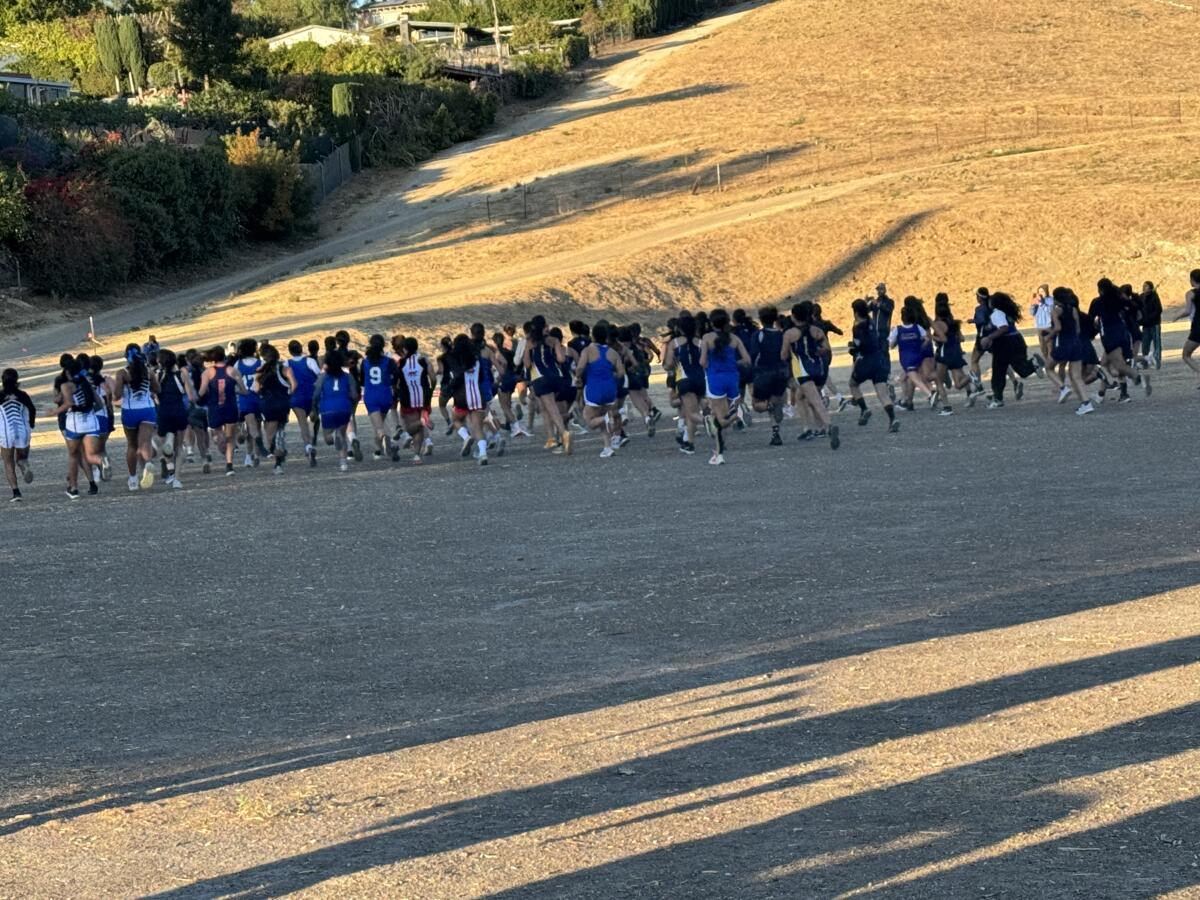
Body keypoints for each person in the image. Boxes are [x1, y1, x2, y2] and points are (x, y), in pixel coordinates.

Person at [782, 301, 840, 449]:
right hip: (818, 368)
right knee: (801, 397)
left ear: (794, 317)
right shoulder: (816, 330)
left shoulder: (789, 334)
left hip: (803, 371)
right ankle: (808, 429)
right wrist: (817, 351)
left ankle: (828, 425)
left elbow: (783, 355)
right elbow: (826, 348)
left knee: (815, 400)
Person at [700, 308, 753, 465]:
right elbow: (747, 360)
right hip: (732, 378)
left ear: (711, 322)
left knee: (720, 420)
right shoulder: (734, 338)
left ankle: (719, 454)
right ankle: (735, 415)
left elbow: (702, 362)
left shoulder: (707, 338)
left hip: (715, 378)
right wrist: (733, 363)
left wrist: (711, 366)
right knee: (725, 417)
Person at [52, 354, 103, 499]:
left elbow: (57, 399)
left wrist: (58, 403)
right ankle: (91, 482)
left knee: (74, 455)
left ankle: (73, 486)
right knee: (84, 454)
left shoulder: (61, 381)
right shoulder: (84, 381)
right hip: (89, 420)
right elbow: (99, 403)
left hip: (69, 420)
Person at [846, 299, 900, 433]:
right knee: (882, 393)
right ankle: (893, 419)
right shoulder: (871, 321)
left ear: (856, 312)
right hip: (879, 359)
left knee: (853, 384)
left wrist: (852, 349)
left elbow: (859, 345)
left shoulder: (858, 327)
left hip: (866, 360)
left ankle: (864, 409)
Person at [573, 322, 626, 457]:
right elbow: (621, 373)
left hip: (594, 388)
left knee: (590, 420)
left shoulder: (588, 350)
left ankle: (610, 417)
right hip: (610, 388)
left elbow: (580, 368)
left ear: (593, 336)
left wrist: (577, 377)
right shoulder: (613, 353)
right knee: (601, 418)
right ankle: (607, 447)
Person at [112, 344, 159, 491]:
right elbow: (158, 389)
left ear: (126, 356)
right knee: (145, 442)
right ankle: (148, 462)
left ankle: (132, 479)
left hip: (130, 411)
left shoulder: (122, 373)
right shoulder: (149, 371)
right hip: (147, 410)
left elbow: (117, 395)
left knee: (132, 445)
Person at [978, 292, 1036, 408]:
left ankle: (998, 398)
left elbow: (1003, 328)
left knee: (998, 371)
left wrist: (989, 338)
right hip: (1017, 339)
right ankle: (1034, 364)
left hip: (1005, 343)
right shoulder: (1006, 312)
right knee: (1022, 369)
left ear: (993, 303)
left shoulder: (996, 314)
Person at [522, 316, 571, 455]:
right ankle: (552, 438)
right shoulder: (553, 340)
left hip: (539, 378)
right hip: (555, 376)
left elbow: (527, 364)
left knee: (551, 408)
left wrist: (527, 349)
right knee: (547, 408)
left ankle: (563, 433)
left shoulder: (531, 341)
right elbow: (561, 359)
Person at [662, 314, 705, 455]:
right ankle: (689, 443)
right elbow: (706, 362)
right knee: (692, 411)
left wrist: (671, 366)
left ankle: (708, 421)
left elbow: (668, 365)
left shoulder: (675, 343)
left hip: (684, 380)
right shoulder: (700, 342)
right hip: (700, 379)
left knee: (691, 413)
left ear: (679, 328)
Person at [931, 294, 980, 415]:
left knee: (939, 380)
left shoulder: (938, 324)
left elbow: (940, 340)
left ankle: (946, 407)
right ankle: (971, 378)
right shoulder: (953, 322)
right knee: (958, 384)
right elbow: (961, 338)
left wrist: (930, 336)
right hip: (956, 351)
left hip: (944, 353)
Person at [312, 349, 359, 472]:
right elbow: (354, 395)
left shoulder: (323, 377)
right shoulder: (348, 377)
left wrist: (314, 407)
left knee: (328, 438)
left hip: (327, 409)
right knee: (342, 434)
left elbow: (316, 394)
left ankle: (333, 435)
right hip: (344, 408)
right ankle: (343, 463)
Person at [155, 349, 197, 489]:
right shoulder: (182, 374)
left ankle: (170, 472)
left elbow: (154, 395)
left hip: (163, 412)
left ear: (159, 361)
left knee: (165, 447)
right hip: (179, 411)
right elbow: (191, 397)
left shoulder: (158, 375)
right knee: (179, 447)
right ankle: (177, 479)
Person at [1049, 287, 1094, 416]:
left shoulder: (1056, 310)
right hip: (1076, 343)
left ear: (1056, 298)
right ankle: (1086, 403)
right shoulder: (1073, 309)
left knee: (1048, 367)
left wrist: (1048, 336)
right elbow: (1078, 329)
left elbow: (1057, 327)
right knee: (1076, 376)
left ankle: (1063, 388)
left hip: (1064, 343)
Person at [448, 334, 491, 465]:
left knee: (456, 420)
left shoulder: (456, 360)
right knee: (478, 427)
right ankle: (483, 453)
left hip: (462, 398)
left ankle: (466, 437)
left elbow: (456, 378)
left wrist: (450, 387)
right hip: (477, 396)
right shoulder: (476, 359)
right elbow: (482, 378)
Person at [749, 305, 789, 445]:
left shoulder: (758, 335)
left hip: (763, 373)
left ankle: (769, 407)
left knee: (756, 404)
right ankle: (775, 431)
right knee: (776, 402)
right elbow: (786, 354)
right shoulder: (782, 334)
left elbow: (754, 354)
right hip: (780, 373)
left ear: (760, 319)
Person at [198, 346, 240, 476]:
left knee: (217, 435)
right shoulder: (232, 370)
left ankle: (221, 444)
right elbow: (242, 389)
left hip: (215, 408)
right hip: (231, 407)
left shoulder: (207, 373)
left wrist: (196, 397)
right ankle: (229, 465)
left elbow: (202, 391)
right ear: (224, 356)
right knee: (231, 438)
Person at [254, 343, 296, 474]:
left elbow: (255, 389)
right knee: (280, 429)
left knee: (270, 436)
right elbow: (294, 385)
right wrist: (288, 394)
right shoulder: (285, 369)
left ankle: (276, 457)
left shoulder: (260, 371)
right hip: (283, 403)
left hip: (268, 404)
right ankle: (279, 458)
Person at [361, 334, 399, 462]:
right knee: (380, 423)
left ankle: (386, 440)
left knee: (378, 427)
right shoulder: (388, 361)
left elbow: (361, 380)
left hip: (371, 396)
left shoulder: (365, 362)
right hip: (385, 395)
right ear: (383, 345)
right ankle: (378, 450)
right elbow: (396, 376)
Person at [888, 304, 934, 410]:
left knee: (915, 378)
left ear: (902, 318)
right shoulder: (917, 327)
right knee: (903, 379)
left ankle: (930, 394)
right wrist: (920, 347)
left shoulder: (897, 330)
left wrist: (894, 337)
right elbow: (927, 339)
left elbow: (891, 346)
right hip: (917, 356)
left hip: (907, 359)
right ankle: (905, 400)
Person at [0, 368, 35, 501]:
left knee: (8, 463)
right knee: (21, 457)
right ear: (16, 380)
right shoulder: (23, 395)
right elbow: (32, 409)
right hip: (22, 431)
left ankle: (16, 493)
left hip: (7, 433)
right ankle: (23, 464)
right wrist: (31, 424)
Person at [398, 337, 434, 463]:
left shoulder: (401, 363)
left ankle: (422, 422)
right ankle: (417, 456)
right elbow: (433, 378)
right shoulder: (424, 360)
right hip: (423, 397)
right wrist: (431, 389)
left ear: (405, 349)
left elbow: (397, 381)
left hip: (408, 398)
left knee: (410, 428)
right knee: (418, 431)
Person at [286, 340, 321, 466]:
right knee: (314, 417)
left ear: (290, 351)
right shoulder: (309, 361)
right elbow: (319, 374)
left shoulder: (287, 363)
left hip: (296, 397)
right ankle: (314, 417)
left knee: (302, 424)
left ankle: (308, 446)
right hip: (311, 395)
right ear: (301, 348)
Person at [1175, 269, 1200, 379]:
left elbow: (1188, 311)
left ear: (1192, 280)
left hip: (1198, 327)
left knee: (1186, 355)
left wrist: (1177, 316)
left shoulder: (1191, 293)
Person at [1138, 281, 1162, 370]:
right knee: (1145, 344)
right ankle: (1145, 361)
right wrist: (1141, 320)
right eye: (1143, 286)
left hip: (1154, 324)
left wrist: (1149, 318)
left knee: (1157, 344)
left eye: (1146, 286)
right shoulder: (1141, 297)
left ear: (1150, 287)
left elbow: (1158, 310)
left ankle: (1157, 361)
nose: (1144, 288)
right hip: (1145, 325)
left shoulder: (1154, 297)